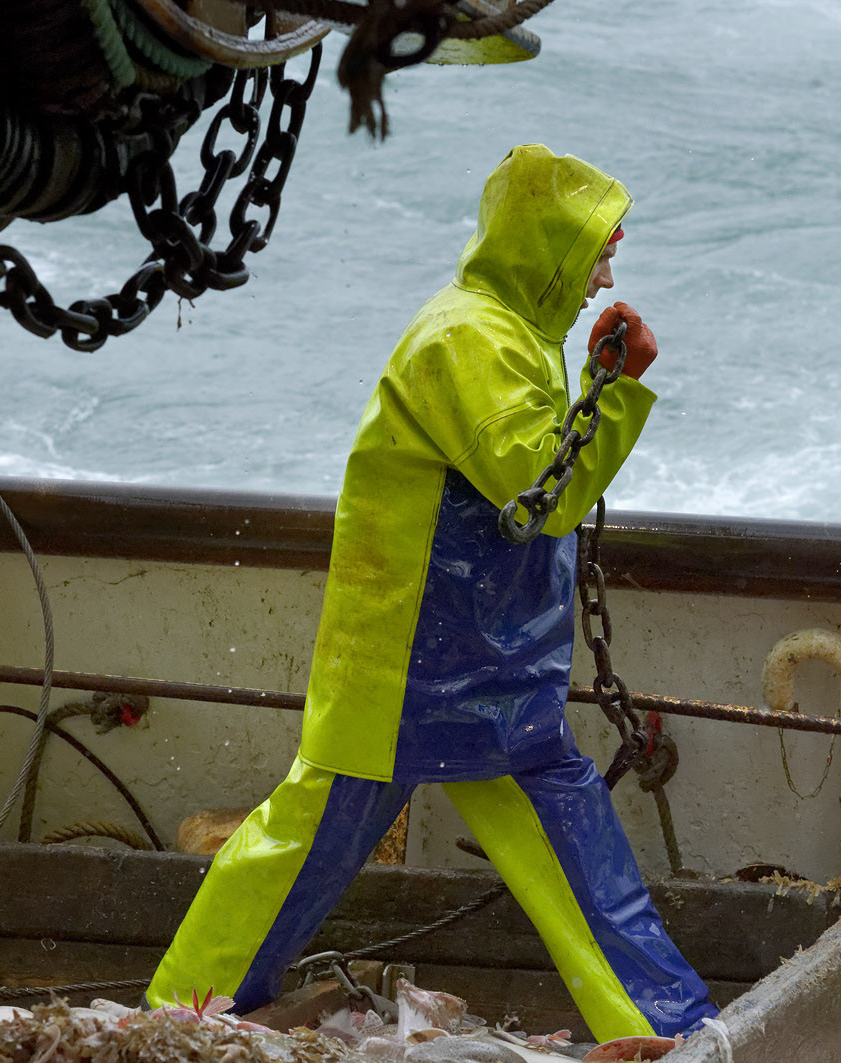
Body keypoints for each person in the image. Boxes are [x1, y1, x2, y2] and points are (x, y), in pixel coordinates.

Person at [147, 144, 718, 1041]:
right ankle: (176, 1021)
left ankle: (674, 1027)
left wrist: (598, 387)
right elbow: (543, 486)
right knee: (316, 846)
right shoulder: (468, 339)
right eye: (598, 250)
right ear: (551, 252)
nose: (606, 272)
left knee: (334, 847)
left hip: (476, 661)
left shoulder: (510, 335)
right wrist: (615, 397)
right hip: (412, 660)